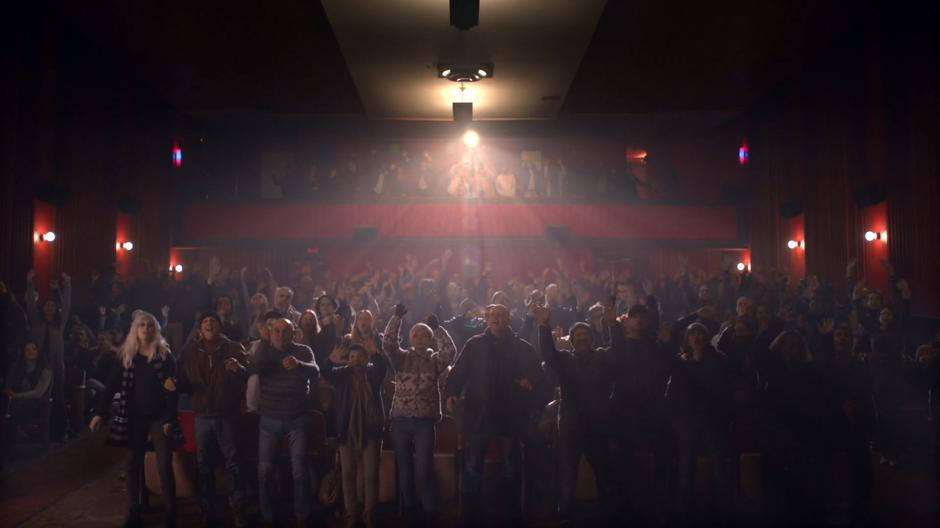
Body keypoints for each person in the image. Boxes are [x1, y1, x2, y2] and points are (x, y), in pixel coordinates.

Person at [445, 303, 546, 525]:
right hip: (480, 412)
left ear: (509, 319)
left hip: (511, 413)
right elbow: (458, 371)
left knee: (512, 466)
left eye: (502, 315)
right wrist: (451, 392)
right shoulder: (474, 344)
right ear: (487, 319)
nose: (498, 320)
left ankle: (512, 515)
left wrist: (531, 381)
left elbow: (537, 374)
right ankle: (469, 516)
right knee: (472, 465)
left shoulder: (522, 347)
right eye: (493, 316)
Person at [531, 302, 620, 523]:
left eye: (585, 334)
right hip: (571, 425)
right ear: (571, 341)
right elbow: (548, 354)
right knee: (567, 474)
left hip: (598, 424)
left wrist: (612, 323)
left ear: (592, 338)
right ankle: (566, 517)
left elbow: (619, 351)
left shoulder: (603, 356)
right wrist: (543, 325)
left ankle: (608, 516)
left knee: (605, 474)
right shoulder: (564, 358)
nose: (581, 337)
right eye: (577, 335)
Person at [90, 311, 180, 528]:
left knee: (164, 465)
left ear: (156, 329)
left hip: (159, 416)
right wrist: (99, 413)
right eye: (142, 325)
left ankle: (170, 514)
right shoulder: (126, 355)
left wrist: (169, 418)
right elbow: (111, 385)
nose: (146, 328)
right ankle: (134, 512)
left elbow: (172, 390)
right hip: (133, 417)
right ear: (135, 330)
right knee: (132, 466)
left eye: (150, 325)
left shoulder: (164, 355)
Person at [383, 304, 458, 524]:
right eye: (415, 334)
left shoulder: (435, 361)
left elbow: (450, 352)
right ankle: (411, 510)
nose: (419, 337)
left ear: (429, 339)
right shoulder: (401, 358)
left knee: (424, 468)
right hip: (401, 420)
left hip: (425, 421)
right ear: (410, 338)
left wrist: (438, 329)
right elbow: (388, 343)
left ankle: (429, 511)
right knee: (405, 468)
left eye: (424, 334)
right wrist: (396, 318)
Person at [172, 312, 249, 527]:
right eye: (205, 321)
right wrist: (176, 384)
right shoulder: (190, 351)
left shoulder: (233, 348)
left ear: (219, 326)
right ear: (200, 328)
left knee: (234, 463)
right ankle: (208, 510)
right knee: (204, 464)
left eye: (213, 321)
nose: (209, 324)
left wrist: (238, 369)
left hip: (227, 414)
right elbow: (184, 381)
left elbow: (247, 375)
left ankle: (238, 509)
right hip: (203, 416)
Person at [252, 318, 320, 526]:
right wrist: (265, 344)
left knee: (299, 467)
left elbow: (315, 371)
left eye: (286, 331)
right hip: (269, 418)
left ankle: (302, 515)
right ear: (270, 333)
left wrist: (298, 364)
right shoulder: (263, 350)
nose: (281, 335)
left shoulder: (303, 351)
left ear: (293, 333)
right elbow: (253, 368)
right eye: (277, 331)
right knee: (265, 469)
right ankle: (269, 516)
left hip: (297, 418)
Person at [664, 322, 732, 524]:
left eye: (700, 333)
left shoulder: (718, 359)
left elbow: (721, 389)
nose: (696, 337)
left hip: (710, 418)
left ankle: (723, 512)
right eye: (692, 333)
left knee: (718, 465)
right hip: (685, 420)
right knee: (686, 466)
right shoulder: (680, 361)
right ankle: (685, 513)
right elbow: (673, 391)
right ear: (687, 338)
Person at [324, 343, 387, 528]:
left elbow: (382, 368)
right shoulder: (341, 376)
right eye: (352, 357)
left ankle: (370, 513)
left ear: (366, 360)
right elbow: (326, 371)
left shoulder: (372, 376)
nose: (356, 360)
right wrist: (330, 359)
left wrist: (376, 354)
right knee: (348, 474)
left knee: (371, 475)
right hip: (347, 431)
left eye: (360, 357)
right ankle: (351, 514)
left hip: (371, 430)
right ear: (347, 360)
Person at [25, 269, 71, 441]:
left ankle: (60, 429)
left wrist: (66, 285)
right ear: (43, 308)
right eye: (47, 305)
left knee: (58, 397)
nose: (50, 308)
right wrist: (30, 282)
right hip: (39, 366)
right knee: (40, 398)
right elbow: (30, 303)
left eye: (53, 306)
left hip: (56, 367)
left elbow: (66, 305)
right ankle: (39, 432)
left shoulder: (59, 325)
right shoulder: (37, 322)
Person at [2, 342, 53, 452]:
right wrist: (9, 392)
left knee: (17, 409)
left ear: (38, 352)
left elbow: (38, 393)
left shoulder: (45, 370)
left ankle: (8, 446)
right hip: (15, 399)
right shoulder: (18, 367)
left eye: (34, 349)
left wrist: (16, 396)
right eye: (27, 349)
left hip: (35, 402)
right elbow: (9, 385)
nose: (30, 352)